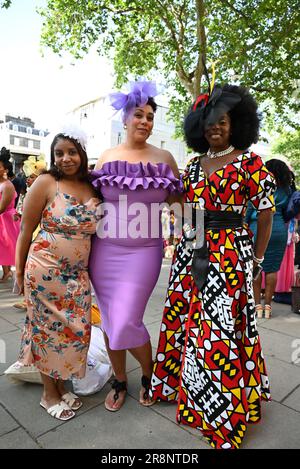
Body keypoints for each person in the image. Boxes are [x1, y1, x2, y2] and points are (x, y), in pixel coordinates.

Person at [150, 84, 276, 449]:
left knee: (217, 332)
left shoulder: (251, 162)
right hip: (193, 250)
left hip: (230, 255)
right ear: (198, 128)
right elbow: (184, 207)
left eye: (221, 121)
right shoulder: (192, 166)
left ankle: (220, 414)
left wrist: (256, 260)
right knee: (187, 322)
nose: (214, 128)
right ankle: (189, 397)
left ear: (235, 123)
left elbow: (265, 213)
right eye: (208, 123)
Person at [88, 80, 182, 411]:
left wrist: (191, 235)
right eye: (138, 115)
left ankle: (148, 373)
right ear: (125, 118)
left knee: (127, 319)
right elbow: (93, 203)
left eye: (150, 116)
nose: (144, 121)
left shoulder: (165, 158)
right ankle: (119, 379)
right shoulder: (107, 157)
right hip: (104, 252)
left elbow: (179, 205)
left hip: (144, 253)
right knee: (111, 320)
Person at [15, 125, 100, 421]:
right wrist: (17, 271)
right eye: (59, 153)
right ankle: (48, 393)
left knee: (72, 331)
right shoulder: (46, 182)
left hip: (77, 278)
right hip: (44, 272)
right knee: (46, 331)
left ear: (83, 154)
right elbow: (25, 230)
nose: (66, 158)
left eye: (72, 152)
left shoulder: (93, 187)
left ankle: (62, 386)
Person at [246, 159, 293, 318]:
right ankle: (268, 307)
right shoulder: (286, 189)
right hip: (279, 228)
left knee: (256, 265)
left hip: (257, 227)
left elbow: (249, 209)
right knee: (272, 268)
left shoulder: (260, 185)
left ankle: (257, 305)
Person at [13, 155, 47, 311]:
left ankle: (29, 299)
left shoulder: (42, 191)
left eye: (32, 177)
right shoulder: (28, 192)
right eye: (28, 177)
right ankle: (27, 298)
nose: (28, 179)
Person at [0, 147, 21, 282]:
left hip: (6, 219)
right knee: (2, 246)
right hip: (2, 219)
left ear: (6, 170)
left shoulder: (7, 185)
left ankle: (15, 273)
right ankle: (6, 272)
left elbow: (2, 207)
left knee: (8, 246)